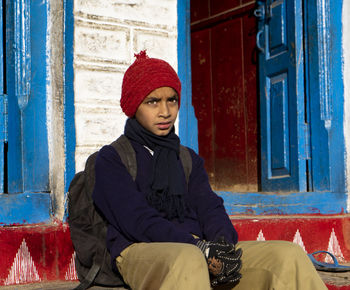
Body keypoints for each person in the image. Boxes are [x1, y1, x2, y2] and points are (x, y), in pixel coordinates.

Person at [92, 51, 327, 290]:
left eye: (171, 100)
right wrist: (198, 247)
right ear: (134, 106)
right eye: (153, 101)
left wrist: (221, 246)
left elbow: (210, 207)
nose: (165, 111)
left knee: (287, 256)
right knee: (188, 259)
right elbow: (137, 220)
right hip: (140, 249)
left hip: (198, 249)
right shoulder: (112, 158)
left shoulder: (186, 158)